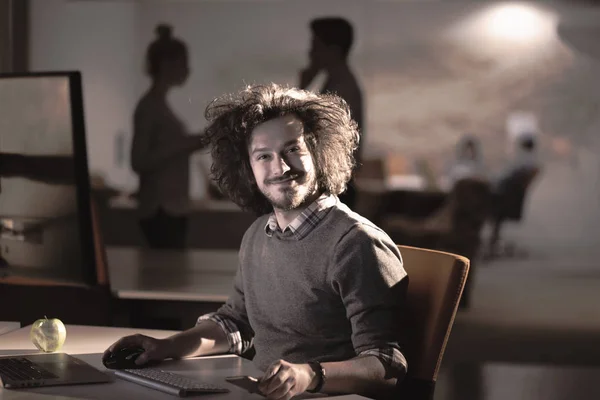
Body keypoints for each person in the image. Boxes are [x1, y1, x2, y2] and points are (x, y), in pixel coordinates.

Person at [106, 84, 408, 399]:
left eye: (293, 149)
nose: (280, 167)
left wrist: (308, 375)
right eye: (264, 156)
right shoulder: (257, 235)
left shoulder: (356, 243)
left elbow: (386, 366)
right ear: (247, 169)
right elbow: (236, 323)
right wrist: (166, 347)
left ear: (319, 153)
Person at [130, 24, 206, 249]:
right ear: (167, 65)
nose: (187, 69)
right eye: (183, 63)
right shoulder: (149, 107)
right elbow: (139, 160)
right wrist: (186, 144)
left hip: (169, 207)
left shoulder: (160, 106)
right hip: (160, 209)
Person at [299, 17, 364, 210]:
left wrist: (302, 90)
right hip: (337, 179)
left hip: (335, 182)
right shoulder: (338, 83)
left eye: (315, 45)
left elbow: (304, 128)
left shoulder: (341, 88)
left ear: (333, 50)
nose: (310, 52)